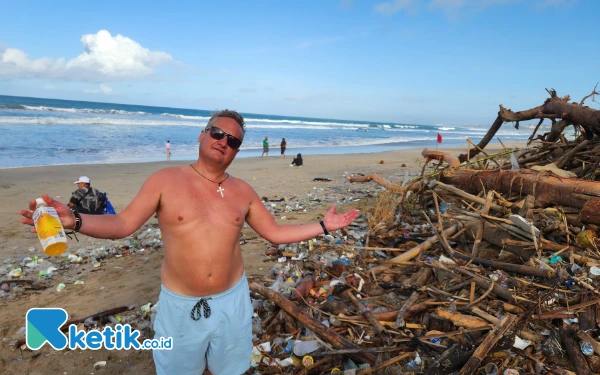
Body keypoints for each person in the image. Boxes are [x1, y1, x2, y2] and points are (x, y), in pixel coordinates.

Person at [20, 110, 358, 375]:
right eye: (217, 132)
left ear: (237, 151)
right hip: (180, 306)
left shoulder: (243, 191)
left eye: (234, 141)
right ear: (201, 134)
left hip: (232, 302)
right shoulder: (165, 180)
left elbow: (274, 233)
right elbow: (123, 224)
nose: (224, 141)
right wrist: (74, 220)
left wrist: (323, 226)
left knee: (227, 369)